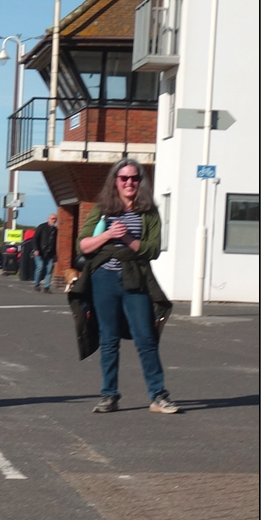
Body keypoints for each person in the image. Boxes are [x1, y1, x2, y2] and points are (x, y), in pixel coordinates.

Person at [77, 158, 178, 415]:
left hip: (135, 279)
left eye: (135, 178)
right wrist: (109, 235)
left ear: (141, 182)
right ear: (116, 182)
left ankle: (158, 396)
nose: (130, 182)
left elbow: (152, 250)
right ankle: (109, 396)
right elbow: (84, 245)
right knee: (109, 339)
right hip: (104, 279)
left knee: (146, 338)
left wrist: (127, 238)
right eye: (124, 178)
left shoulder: (148, 212)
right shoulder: (102, 209)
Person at [32, 213, 58, 292]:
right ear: (48, 219)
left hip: (49, 253)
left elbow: (55, 242)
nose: (54, 220)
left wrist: (55, 253)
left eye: (55, 219)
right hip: (40, 251)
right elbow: (35, 239)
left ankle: (46, 287)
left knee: (49, 269)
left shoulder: (55, 230)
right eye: (52, 218)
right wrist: (36, 249)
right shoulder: (42, 227)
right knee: (40, 267)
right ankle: (37, 284)